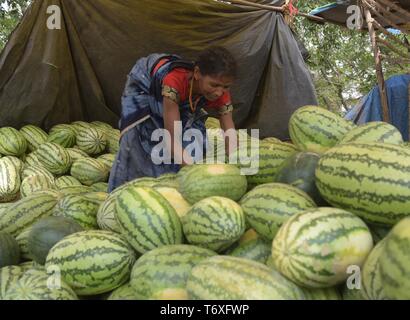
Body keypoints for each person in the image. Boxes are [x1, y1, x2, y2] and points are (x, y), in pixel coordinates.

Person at [108, 46, 238, 192]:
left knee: (194, 139)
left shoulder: (221, 94)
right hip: (145, 83)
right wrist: (194, 174)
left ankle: (173, 186)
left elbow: (228, 128)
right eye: (214, 85)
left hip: (180, 96)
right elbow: (171, 138)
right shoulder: (174, 82)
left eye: (226, 87)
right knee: (143, 137)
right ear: (197, 73)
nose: (219, 92)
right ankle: (122, 190)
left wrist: (234, 165)